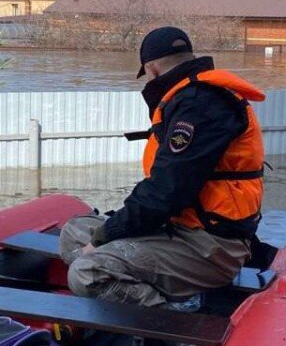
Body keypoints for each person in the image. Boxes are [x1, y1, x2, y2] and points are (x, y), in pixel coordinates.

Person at [59, 27, 266, 310]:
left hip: (210, 246)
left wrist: (104, 238)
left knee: (87, 272)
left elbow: (167, 191)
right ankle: (139, 283)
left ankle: (178, 326)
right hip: (179, 229)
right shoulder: (190, 99)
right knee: (74, 230)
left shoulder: (201, 105)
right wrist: (106, 234)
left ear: (153, 70)